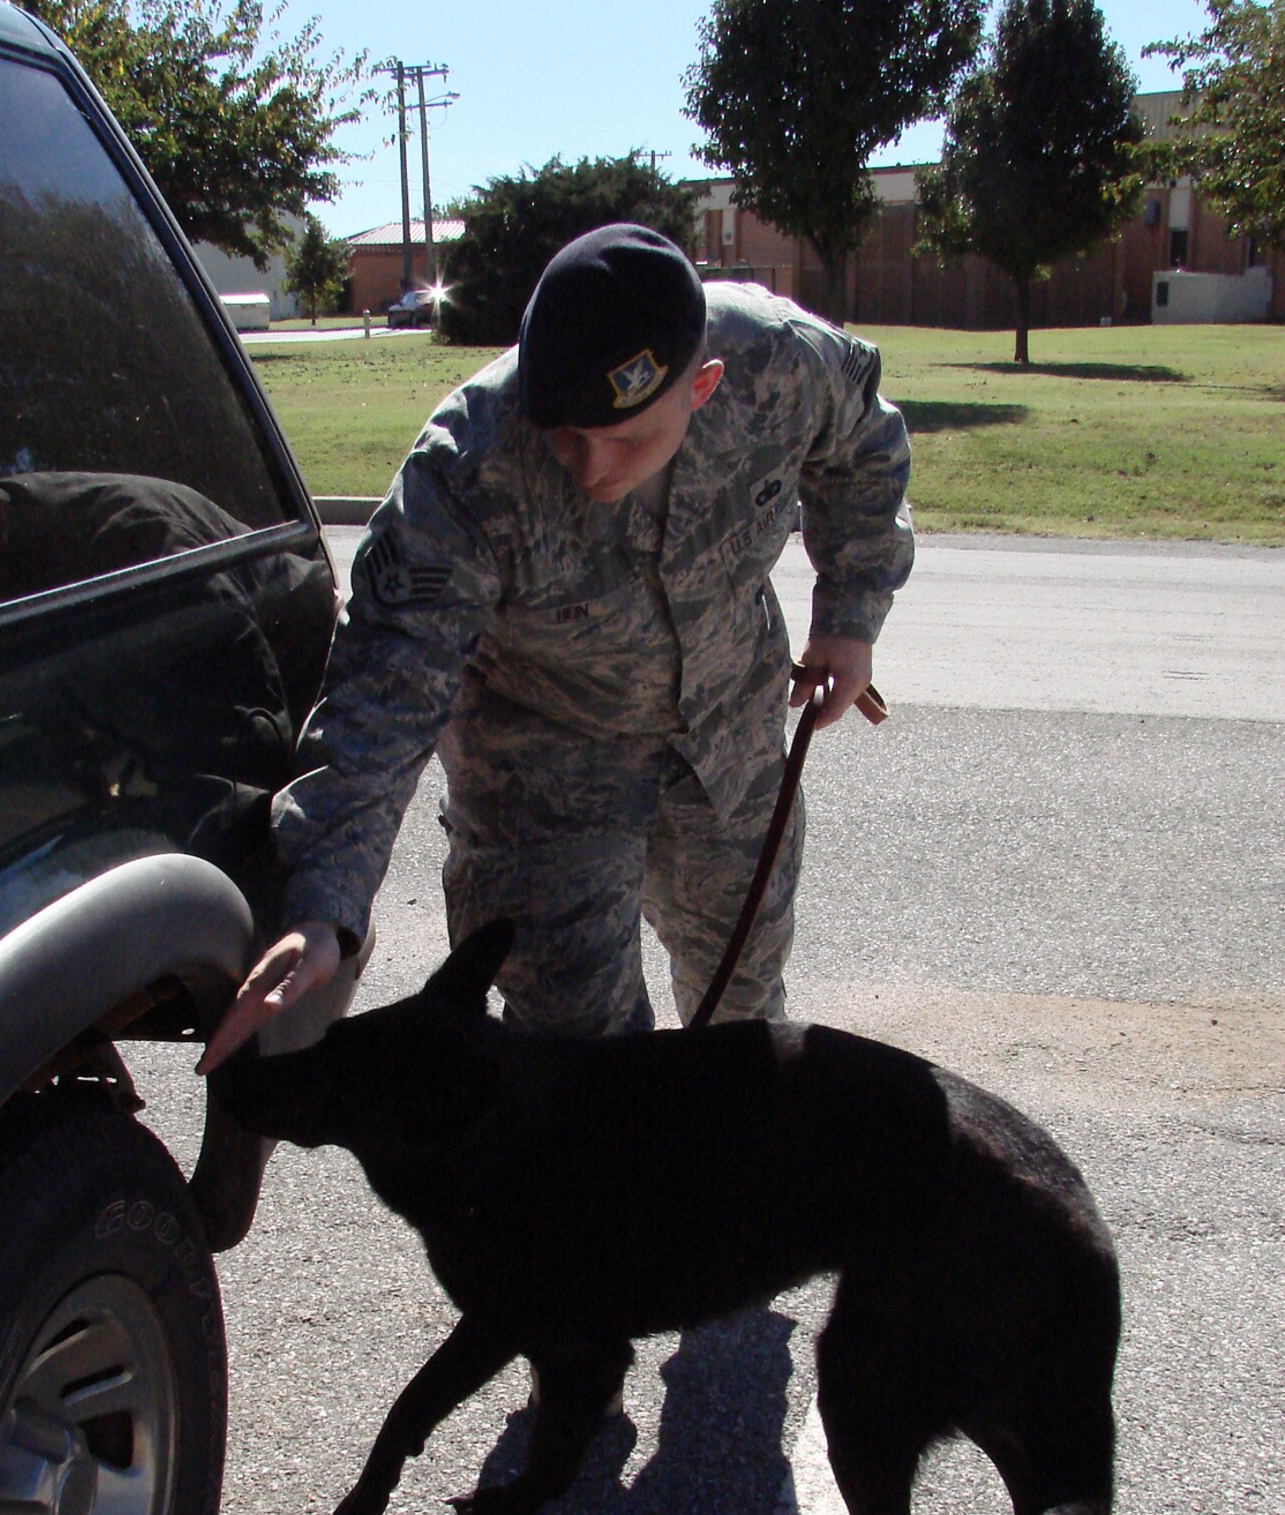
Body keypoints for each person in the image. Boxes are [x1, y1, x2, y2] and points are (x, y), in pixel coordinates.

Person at [201, 223, 912, 1072]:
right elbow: (381, 698)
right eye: (566, 435)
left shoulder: (780, 363)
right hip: (543, 772)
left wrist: (850, 615)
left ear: (704, 388)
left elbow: (864, 447)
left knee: (745, 1019)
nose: (592, 470)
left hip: (726, 742)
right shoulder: (465, 469)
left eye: (629, 440)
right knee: (581, 1066)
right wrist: (323, 905)